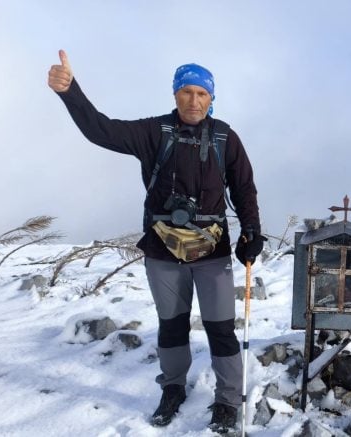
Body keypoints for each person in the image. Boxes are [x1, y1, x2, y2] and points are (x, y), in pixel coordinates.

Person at [48, 50, 265, 433]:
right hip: (162, 251)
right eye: (186, 92)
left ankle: (228, 400)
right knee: (172, 325)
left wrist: (251, 231)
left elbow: (244, 188)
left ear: (212, 98)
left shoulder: (224, 137)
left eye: (202, 93)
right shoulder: (154, 133)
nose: (194, 100)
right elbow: (101, 129)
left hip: (212, 252)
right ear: (175, 94)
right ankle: (173, 389)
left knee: (221, 328)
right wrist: (71, 93)